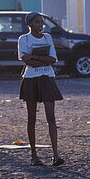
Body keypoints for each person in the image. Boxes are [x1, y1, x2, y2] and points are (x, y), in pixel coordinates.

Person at [18, 12, 64, 167]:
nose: (40, 25)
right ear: (29, 24)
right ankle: (34, 155)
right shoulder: (23, 39)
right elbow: (26, 61)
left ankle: (56, 154)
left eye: (41, 22)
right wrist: (41, 60)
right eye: (37, 22)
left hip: (47, 79)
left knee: (51, 117)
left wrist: (35, 57)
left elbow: (53, 59)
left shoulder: (47, 38)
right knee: (32, 117)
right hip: (31, 79)